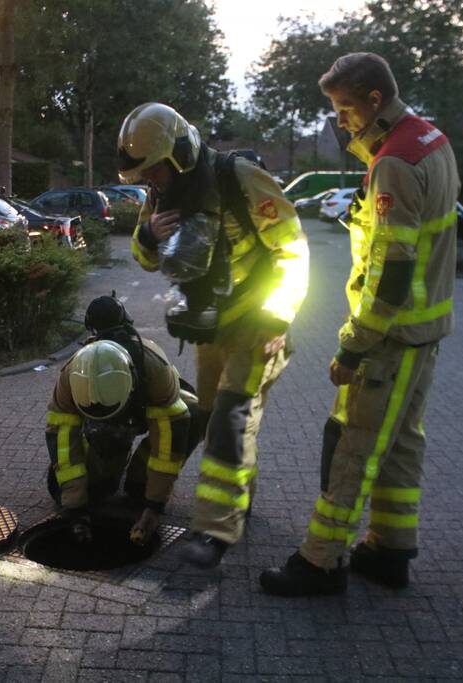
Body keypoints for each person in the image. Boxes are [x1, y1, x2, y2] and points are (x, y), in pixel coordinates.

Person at [260, 52, 460, 596]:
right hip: (425, 332)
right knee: (400, 445)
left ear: (375, 100)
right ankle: (390, 550)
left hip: (389, 340)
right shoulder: (431, 142)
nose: (341, 121)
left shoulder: (394, 162)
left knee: (353, 446)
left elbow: (391, 273)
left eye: (346, 109)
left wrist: (353, 345)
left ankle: (321, 562)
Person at [117, 103, 309, 568]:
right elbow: (147, 260)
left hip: (259, 326)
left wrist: (278, 319)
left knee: (230, 417)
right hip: (211, 327)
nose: (152, 181)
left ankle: (214, 529)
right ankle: (238, 502)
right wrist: (147, 235)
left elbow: (293, 247)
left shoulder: (238, 177)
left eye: (155, 170)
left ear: (179, 152)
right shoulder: (162, 196)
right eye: (144, 174)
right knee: (213, 415)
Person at [44, 295, 204, 545]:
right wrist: (75, 508)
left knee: (194, 414)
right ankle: (112, 465)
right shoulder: (70, 376)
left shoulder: (154, 369)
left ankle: (140, 480)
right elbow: (63, 442)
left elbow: (167, 445)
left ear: (130, 383)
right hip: (107, 431)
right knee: (95, 492)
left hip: (151, 410)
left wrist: (154, 506)